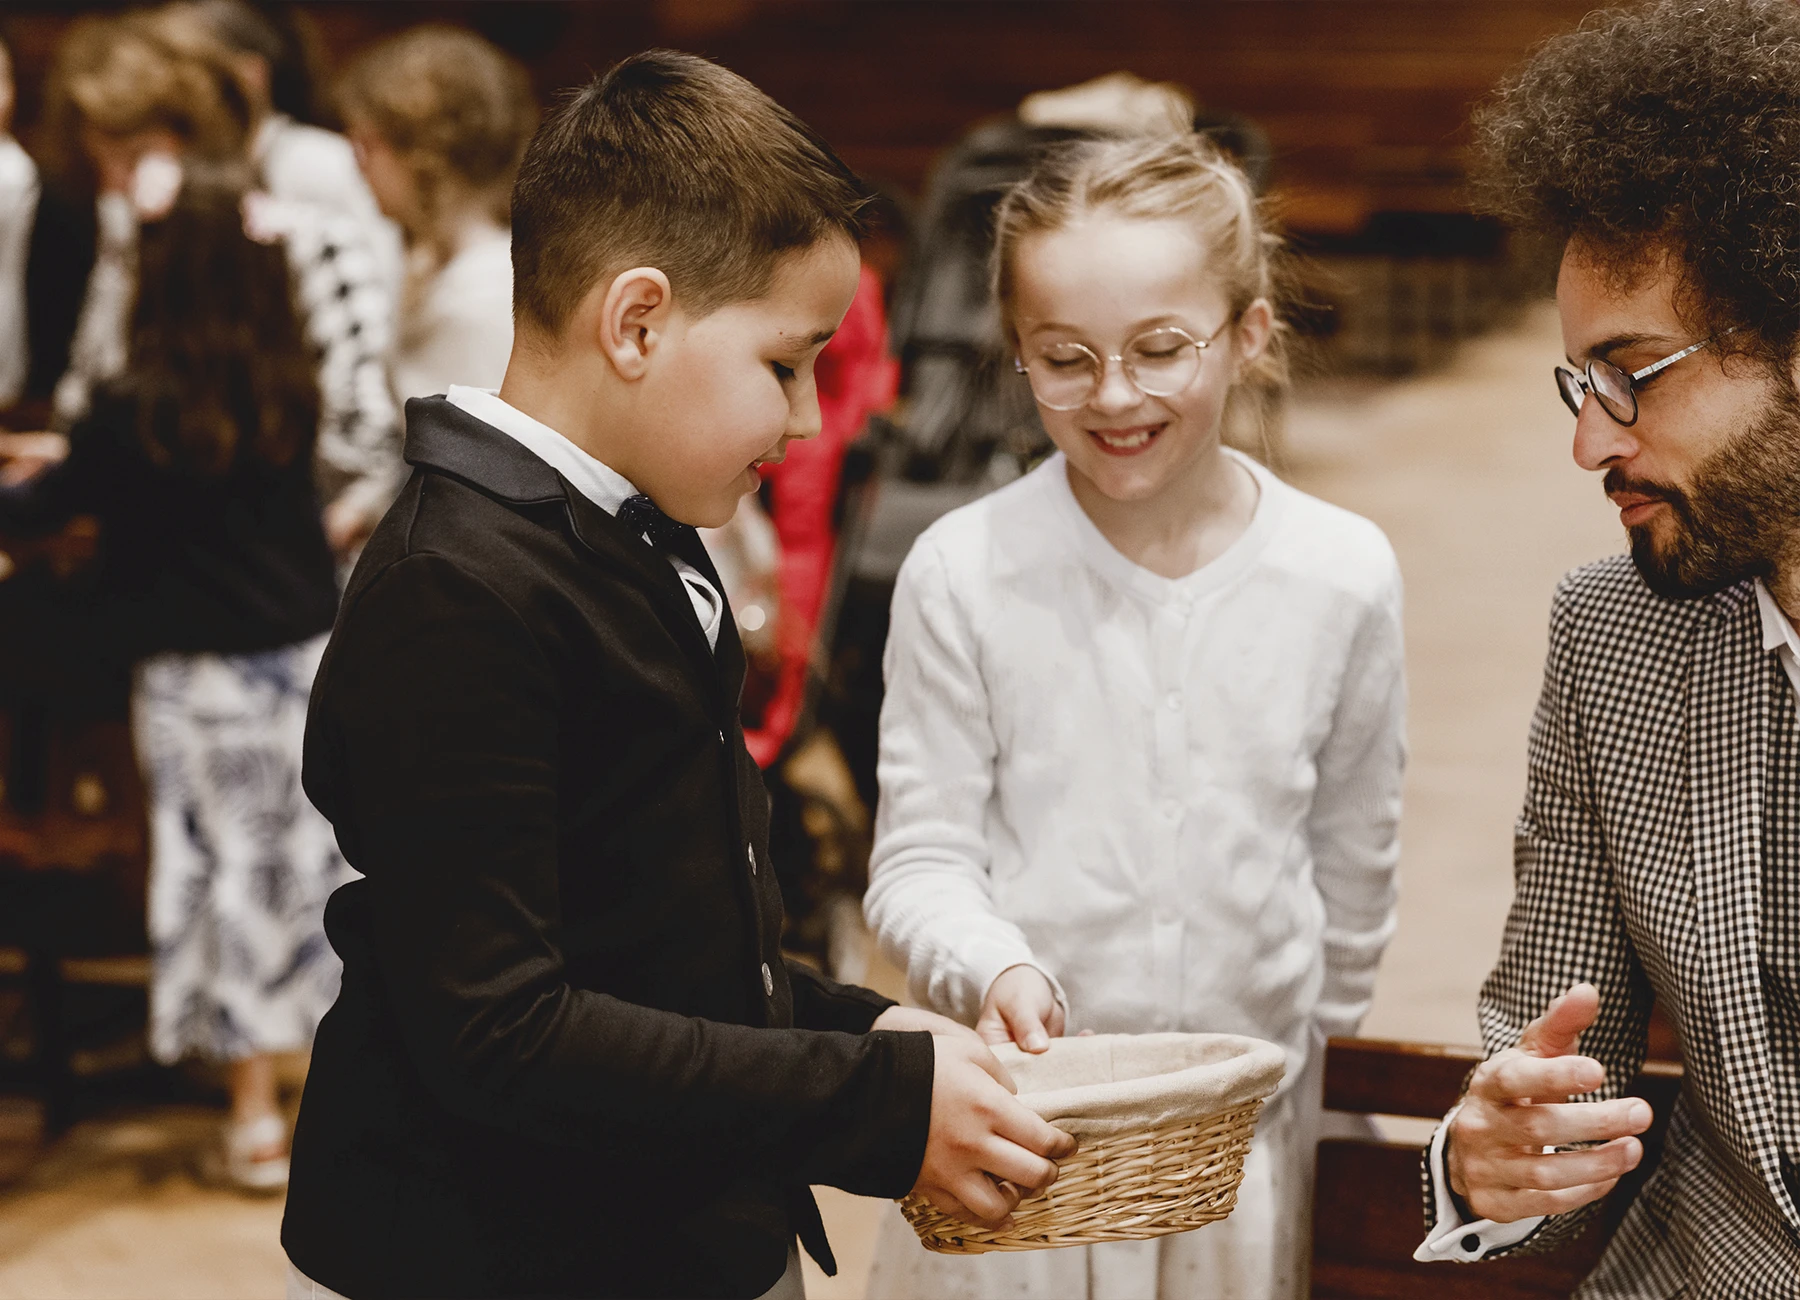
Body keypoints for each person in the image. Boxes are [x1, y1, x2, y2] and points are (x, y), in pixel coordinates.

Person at [279, 50, 1076, 1300]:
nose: (812, 418)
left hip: (673, 1217)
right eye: (785, 362)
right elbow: (502, 1029)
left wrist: (862, 1030)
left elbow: (658, 935)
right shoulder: (459, 589)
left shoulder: (617, 527)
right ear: (637, 320)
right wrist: (866, 1101)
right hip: (504, 1252)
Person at [863, 131, 1406, 1300]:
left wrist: (1294, 1062)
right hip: (1015, 1147)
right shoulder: (964, 570)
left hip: (1228, 1162)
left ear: (1249, 333)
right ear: (1018, 350)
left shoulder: (1340, 572)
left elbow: (1352, 865)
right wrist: (993, 960)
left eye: (1162, 349)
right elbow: (919, 858)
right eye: (1065, 357)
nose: (1115, 395)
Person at [1411, 1, 1800, 1294]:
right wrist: (1496, 1161)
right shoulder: (1617, 630)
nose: (1591, 442)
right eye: (1579, 383)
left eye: (1634, 373)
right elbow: (1546, 1055)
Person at [0, 161, 349, 1193]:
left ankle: (249, 1117)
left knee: (228, 880)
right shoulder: (285, 386)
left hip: (201, 685)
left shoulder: (131, 406)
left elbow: (48, 507)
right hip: (303, 660)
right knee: (308, 878)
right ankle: (319, 1092)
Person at [41, 10, 401, 555]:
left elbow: (366, 435)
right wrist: (68, 459)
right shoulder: (128, 248)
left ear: (206, 143)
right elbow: (83, 397)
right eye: (102, 167)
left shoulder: (306, 242)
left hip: (286, 571)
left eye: (136, 158)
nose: (115, 189)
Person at [335, 24, 536, 402]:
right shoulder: (431, 260)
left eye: (367, 144)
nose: (358, 164)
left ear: (423, 156)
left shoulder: (480, 295)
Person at [177, 0, 403, 305]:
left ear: (250, 75)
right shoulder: (201, 171)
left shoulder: (315, 161)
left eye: (187, 78)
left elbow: (384, 285)